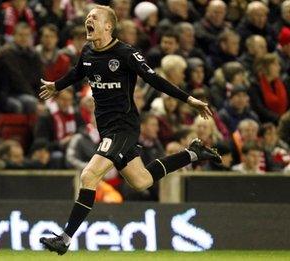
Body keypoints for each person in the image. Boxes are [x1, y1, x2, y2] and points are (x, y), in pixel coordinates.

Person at [38, 5, 222, 255]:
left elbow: (154, 79)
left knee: (89, 176)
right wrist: (57, 85)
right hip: (107, 129)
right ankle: (193, 153)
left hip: (123, 128)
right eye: (88, 17)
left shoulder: (126, 54)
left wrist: (189, 99)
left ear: (108, 26)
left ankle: (66, 238)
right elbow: (78, 72)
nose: (88, 20)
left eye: (95, 17)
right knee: (141, 180)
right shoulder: (88, 51)